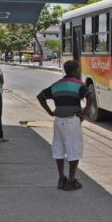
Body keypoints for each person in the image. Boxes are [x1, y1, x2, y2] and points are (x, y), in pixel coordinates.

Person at [37, 60, 93, 191]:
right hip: (72, 121)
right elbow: (90, 97)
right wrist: (84, 113)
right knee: (73, 150)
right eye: (78, 69)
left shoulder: (56, 85)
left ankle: (61, 179)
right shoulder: (79, 85)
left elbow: (40, 96)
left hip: (58, 121)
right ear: (75, 71)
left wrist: (50, 112)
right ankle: (71, 181)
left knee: (59, 149)